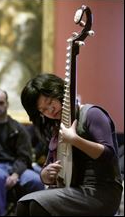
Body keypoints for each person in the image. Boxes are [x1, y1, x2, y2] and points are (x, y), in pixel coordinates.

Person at [17, 73, 123, 216]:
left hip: (102, 192)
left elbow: (108, 154)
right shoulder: (57, 128)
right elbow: (48, 166)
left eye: (49, 102)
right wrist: (45, 174)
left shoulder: (92, 114)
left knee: (37, 204)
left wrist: (75, 140)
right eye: (43, 110)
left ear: (59, 91)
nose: (50, 111)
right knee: (24, 204)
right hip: (73, 189)